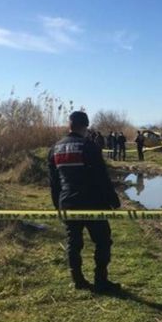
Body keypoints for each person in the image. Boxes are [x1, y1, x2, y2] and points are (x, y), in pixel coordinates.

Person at [48, 111, 122, 293]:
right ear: (85, 126)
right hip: (92, 203)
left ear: (69, 125)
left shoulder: (55, 148)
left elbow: (54, 182)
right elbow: (101, 177)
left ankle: (77, 280)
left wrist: (57, 205)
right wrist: (113, 200)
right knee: (103, 241)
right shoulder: (88, 146)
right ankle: (101, 280)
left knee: (74, 242)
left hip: (67, 202)